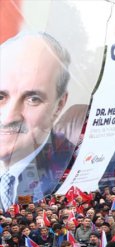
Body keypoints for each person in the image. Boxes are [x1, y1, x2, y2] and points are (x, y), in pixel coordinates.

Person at [0, 32, 75, 208]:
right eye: (0, 96)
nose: (8, 117)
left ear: (59, 105)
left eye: (33, 99)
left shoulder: (68, 169)